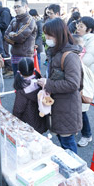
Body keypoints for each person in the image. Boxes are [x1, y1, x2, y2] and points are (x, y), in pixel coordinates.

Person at [37, 18, 82, 153]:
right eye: (46, 35)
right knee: (64, 142)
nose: (47, 38)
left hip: (67, 107)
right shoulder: (55, 51)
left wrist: (48, 83)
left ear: (59, 35)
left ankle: (75, 170)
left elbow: (73, 83)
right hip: (59, 105)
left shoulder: (69, 56)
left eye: (49, 35)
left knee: (68, 143)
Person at [75, 16, 94, 147]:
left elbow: (85, 61)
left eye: (81, 26)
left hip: (84, 80)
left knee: (82, 109)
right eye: (78, 25)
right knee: (76, 107)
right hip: (77, 77)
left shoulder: (92, 44)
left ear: (89, 29)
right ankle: (78, 129)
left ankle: (87, 134)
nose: (78, 28)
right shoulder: (78, 40)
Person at [12, 57, 47, 134]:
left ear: (19, 72)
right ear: (34, 69)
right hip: (41, 120)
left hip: (28, 123)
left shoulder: (22, 90)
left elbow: (18, 110)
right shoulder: (41, 83)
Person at [4, 0, 37, 74]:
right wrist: (14, 42)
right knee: (17, 82)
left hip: (26, 58)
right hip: (14, 56)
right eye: (14, 7)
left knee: (26, 83)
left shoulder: (30, 20)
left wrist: (12, 35)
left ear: (25, 6)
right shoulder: (14, 20)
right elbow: (5, 36)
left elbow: (19, 37)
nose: (16, 9)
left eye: (18, 7)